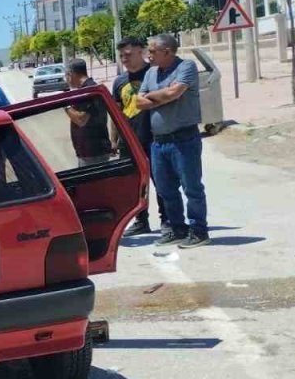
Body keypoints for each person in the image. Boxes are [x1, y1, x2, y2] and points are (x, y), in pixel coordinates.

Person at [137, 34, 209, 249]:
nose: (148, 56)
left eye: (152, 51)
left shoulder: (186, 67)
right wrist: (162, 96)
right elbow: (139, 102)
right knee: (165, 190)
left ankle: (199, 231)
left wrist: (155, 97)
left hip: (184, 139)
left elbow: (174, 93)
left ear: (167, 51)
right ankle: (178, 228)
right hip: (159, 143)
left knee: (191, 187)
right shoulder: (150, 73)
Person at [112, 37, 168, 236]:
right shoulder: (119, 81)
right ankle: (141, 220)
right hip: (129, 141)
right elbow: (116, 112)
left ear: (141, 52)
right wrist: (114, 139)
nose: (124, 59)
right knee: (136, 185)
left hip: (153, 137)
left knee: (160, 181)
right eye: (121, 56)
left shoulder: (154, 74)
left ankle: (167, 220)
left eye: (128, 54)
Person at [61, 58, 112, 167]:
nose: (66, 80)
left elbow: (81, 120)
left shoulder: (89, 90)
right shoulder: (87, 89)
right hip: (89, 152)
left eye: (66, 76)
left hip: (93, 152)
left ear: (70, 74)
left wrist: (66, 105)